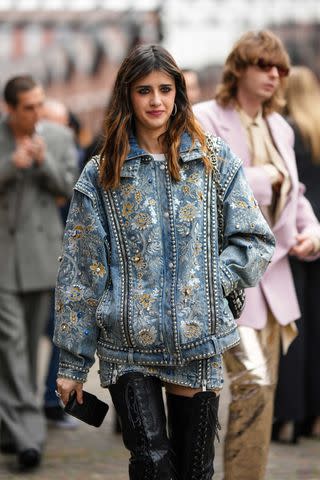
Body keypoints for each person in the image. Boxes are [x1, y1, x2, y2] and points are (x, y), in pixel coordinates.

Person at [53, 44, 275, 480]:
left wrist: (211, 280)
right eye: (144, 91)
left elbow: (254, 239)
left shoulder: (213, 160)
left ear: (178, 94)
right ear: (127, 96)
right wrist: (73, 365)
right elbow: (80, 272)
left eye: (165, 89)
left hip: (197, 341)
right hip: (127, 343)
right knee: (152, 464)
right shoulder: (102, 174)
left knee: (194, 470)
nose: (156, 101)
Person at [194, 30, 320, 480]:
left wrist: (313, 230)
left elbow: (297, 192)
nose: (274, 75)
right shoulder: (204, 119)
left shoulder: (279, 125)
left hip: (276, 278)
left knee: (261, 394)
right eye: (264, 66)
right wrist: (267, 178)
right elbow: (207, 187)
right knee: (254, 382)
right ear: (238, 69)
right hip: (224, 275)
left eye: (280, 69)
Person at [0, 75, 78, 471]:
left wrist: (43, 159)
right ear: (10, 108)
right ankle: (29, 437)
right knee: (12, 347)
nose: (36, 113)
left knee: (28, 349)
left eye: (40, 104)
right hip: (2, 262)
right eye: (28, 107)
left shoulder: (60, 139)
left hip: (39, 259)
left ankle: (7, 427)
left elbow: (69, 187)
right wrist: (10, 167)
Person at [273, 66, 320, 443]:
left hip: (292, 239)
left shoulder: (285, 131)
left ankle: (285, 416)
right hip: (318, 236)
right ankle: (312, 417)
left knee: (292, 330)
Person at [40, 98, 80, 429]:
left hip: (60, 259)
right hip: (29, 256)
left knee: (58, 329)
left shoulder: (74, 161)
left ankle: (51, 400)